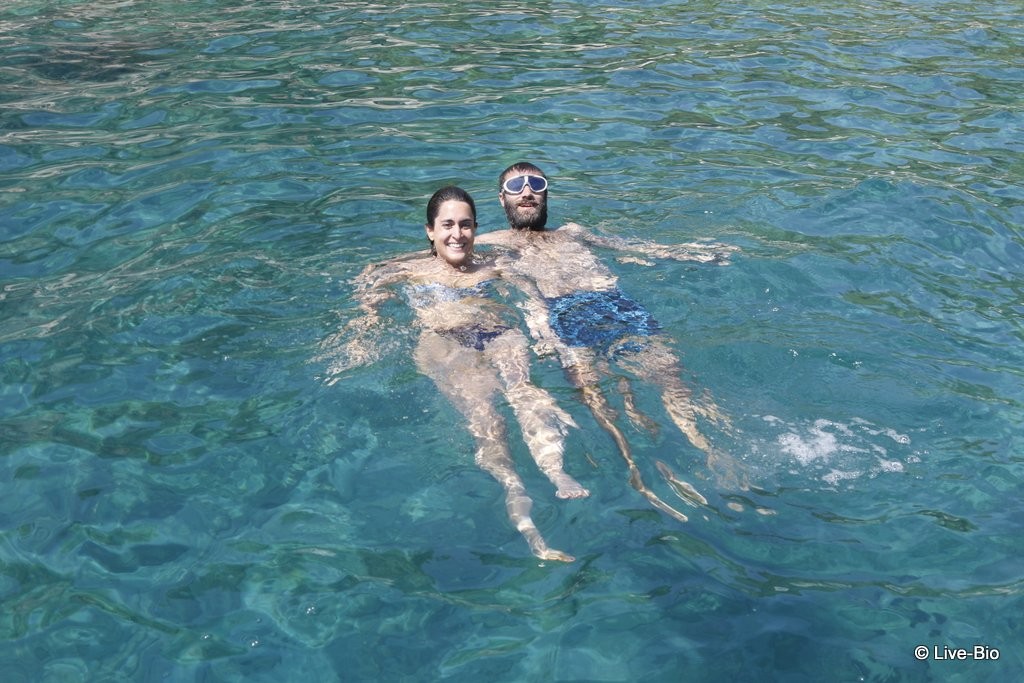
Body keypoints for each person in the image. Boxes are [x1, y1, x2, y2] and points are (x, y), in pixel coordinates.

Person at [328, 186, 586, 562]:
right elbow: (371, 280)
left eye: (466, 225)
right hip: (447, 345)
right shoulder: (409, 269)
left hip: (499, 335)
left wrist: (545, 333)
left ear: (476, 229)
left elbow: (531, 296)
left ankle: (556, 470)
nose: (457, 234)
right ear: (430, 231)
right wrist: (366, 321)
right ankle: (515, 491)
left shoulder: (493, 266)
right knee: (488, 420)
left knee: (526, 392)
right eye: (447, 224)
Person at [476, 162, 744, 520]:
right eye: (516, 186)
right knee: (595, 395)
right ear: (502, 198)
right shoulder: (490, 244)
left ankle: (710, 448)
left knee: (671, 376)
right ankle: (637, 468)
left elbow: (630, 247)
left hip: (616, 305)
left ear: (545, 193)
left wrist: (687, 253)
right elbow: (442, 258)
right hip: (563, 315)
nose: (527, 191)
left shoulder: (572, 232)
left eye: (535, 183)